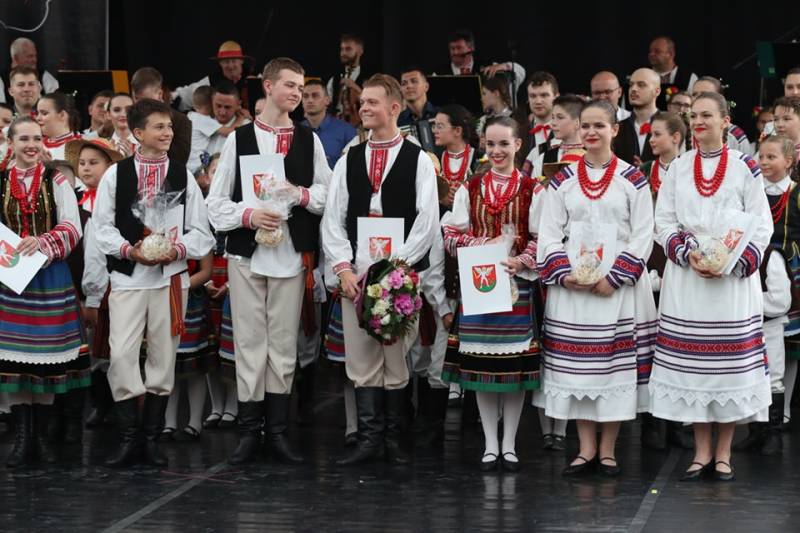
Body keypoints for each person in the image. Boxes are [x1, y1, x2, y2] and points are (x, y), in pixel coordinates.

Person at [206, 57, 332, 465]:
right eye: (290, 85)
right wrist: (249, 215)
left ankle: (277, 431)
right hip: (247, 253)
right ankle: (249, 432)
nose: (297, 93)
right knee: (248, 341)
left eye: (301, 87)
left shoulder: (308, 139)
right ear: (268, 86)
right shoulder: (239, 139)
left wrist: (299, 194)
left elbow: (329, 196)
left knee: (282, 342)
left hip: (290, 253)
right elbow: (215, 203)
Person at [650, 91, 771, 482]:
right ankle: (701, 451)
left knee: (727, 369)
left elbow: (761, 222)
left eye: (707, 115)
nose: (699, 122)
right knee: (695, 371)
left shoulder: (744, 166)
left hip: (731, 283)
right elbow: (664, 220)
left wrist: (732, 261)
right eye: (694, 116)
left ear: (725, 121)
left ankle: (723, 454)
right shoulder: (678, 167)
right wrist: (687, 253)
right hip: (689, 279)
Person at [321, 73, 438, 466]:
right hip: (357, 275)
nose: (364, 108)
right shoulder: (349, 159)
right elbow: (333, 220)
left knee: (396, 357)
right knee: (362, 359)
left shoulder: (418, 159)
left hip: (399, 276)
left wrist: (394, 270)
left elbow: (427, 222)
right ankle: (370, 439)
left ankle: (394, 439)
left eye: (372, 102)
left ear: (394, 108)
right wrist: (344, 269)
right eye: (362, 102)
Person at [537, 100, 657, 477]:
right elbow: (548, 233)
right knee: (579, 371)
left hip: (616, 289)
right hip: (573, 288)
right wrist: (564, 273)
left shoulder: (632, 179)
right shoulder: (562, 180)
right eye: (585, 125)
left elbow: (643, 234)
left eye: (599, 126)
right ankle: (586, 447)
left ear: (614, 130)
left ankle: (607, 450)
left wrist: (616, 277)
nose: (591, 132)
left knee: (611, 370)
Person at [93, 98, 214, 467]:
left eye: (170, 126)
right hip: (128, 278)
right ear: (138, 132)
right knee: (122, 355)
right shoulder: (116, 174)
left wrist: (176, 249)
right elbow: (102, 228)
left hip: (169, 279)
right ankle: (130, 437)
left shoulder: (182, 176)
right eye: (159, 126)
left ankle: (150, 439)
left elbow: (202, 232)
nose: (167, 133)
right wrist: (130, 251)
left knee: (164, 355)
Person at [441, 116, 542, 472]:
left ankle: (509, 443)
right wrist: (483, 245)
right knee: (482, 366)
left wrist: (520, 260)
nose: (497, 151)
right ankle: (489, 443)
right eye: (491, 144)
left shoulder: (533, 189)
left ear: (518, 145)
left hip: (516, 284)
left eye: (504, 144)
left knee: (514, 369)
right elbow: (450, 234)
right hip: (480, 282)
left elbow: (544, 238)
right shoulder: (470, 187)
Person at [0, 117, 84, 467]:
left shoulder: (57, 179)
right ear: (10, 143)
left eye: (37, 138)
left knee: (47, 361)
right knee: (14, 360)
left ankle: (40, 436)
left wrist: (43, 242)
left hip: (49, 277)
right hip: (10, 280)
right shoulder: (1, 180)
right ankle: (24, 439)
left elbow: (73, 227)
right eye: (24, 139)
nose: (32, 145)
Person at [733, 135, 797, 455]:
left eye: (772, 157)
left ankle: (774, 431)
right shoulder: (752, 191)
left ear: (789, 161)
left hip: (783, 270)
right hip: (755, 265)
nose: (764, 162)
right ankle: (757, 430)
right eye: (761, 156)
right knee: (753, 365)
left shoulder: (795, 195)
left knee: (777, 358)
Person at [70, 138, 124, 429]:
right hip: (88, 287)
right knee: (95, 349)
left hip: (112, 285)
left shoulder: (112, 201)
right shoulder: (77, 201)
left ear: (109, 166)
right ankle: (102, 404)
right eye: (82, 163)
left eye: (94, 163)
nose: (86, 168)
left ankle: (119, 405)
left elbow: (98, 255)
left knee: (114, 348)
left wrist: (94, 295)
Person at [130, 67, 192, 165]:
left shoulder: (181, 121)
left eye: (146, 101)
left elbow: (180, 161)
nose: (140, 105)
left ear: (159, 94)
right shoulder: (128, 117)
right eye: (136, 99)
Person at [172, 41, 254, 112]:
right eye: (226, 61)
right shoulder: (211, 80)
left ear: (241, 61)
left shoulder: (253, 78)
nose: (230, 66)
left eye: (233, 61)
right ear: (220, 63)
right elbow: (188, 94)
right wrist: (171, 97)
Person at [523, 94, 585, 181]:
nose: (553, 123)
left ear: (577, 122)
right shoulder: (543, 158)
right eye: (552, 117)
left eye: (560, 117)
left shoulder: (594, 156)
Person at [433, 104, 484, 208]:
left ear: (457, 131)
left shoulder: (480, 158)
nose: (435, 130)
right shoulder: (435, 160)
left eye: (440, 126)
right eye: (434, 126)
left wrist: (465, 194)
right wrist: (441, 198)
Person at [300, 79, 357, 169]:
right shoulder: (295, 131)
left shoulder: (347, 131)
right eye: (305, 96)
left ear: (327, 100)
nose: (310, 100)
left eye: (315, 96)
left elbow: (354, 167)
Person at [691, 76, 752, 155]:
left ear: (719, 98)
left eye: (705, 94)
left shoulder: (735, 136)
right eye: (694, 94)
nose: (697, 98)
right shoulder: (684, 129)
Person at [613, 68, 661, 166]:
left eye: (641, 85)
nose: (633, 89)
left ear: (657, 91)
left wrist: (647, 170)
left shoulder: (669, 125)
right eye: (631, 85)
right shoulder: (618, 128)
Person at [327, 34, 370, 125]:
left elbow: (373, 103)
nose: (343, 53)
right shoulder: (334, 79)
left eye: (348, 49)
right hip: (336, 125)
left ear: (360, 51)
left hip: (361, 126)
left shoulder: (369, 78)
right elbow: (327, 104)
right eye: (342, 49)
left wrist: (355, 87)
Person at [1, 37, 58, 103]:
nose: (34, 60)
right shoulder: (2, 79)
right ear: (16, 58)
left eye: (35, 56)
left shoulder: (44, 75)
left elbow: (55, 102)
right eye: (29, 56)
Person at [647, 36, 697, 109]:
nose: (651, 54)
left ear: (671, 54)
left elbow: (694, 105)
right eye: (650, 51)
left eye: (657, 51)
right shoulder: (643, 75)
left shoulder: (689, 77)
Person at [398, 67, 438, 152]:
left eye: (414, 81)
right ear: (401, 89)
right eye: (404, 83)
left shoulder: (441, 114)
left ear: (426, 86)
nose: (409, 86)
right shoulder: (397, 121)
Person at [36, 92, 81, 161]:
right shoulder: (34, 143)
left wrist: (50, 166)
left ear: (62, 115)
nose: (38, 118)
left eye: (44, 113)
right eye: (38, 113)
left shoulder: (81, 148)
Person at [524, 72, 559, 156]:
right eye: (533, 96)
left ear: (556, 97)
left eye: (544, 95)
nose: (538, 101)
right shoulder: (519, 132)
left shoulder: (567, 131)